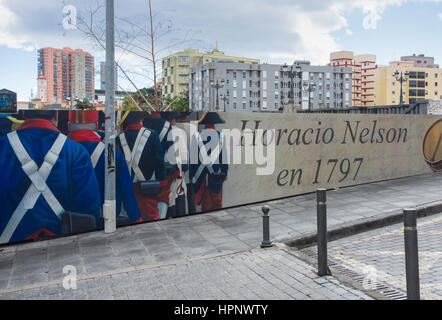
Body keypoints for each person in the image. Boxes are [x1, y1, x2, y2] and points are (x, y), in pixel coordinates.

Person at [0, 110, 101, 244]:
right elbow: (88, 205)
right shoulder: (76, 150)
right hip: (62, 242)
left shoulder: (2, 146)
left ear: (23, 113)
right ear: (57, 116)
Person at [67, 110, 142, 225]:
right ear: (97, 126)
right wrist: (136, 217)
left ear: (68, 125)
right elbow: (126, 188)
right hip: (105, 217)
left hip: (67, 219)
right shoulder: (111, 151)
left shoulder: (61, 150)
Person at [116, 110, 170, 221]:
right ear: (141, 120)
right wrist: (162, 183)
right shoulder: (152, 135)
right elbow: (159, 162)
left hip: (127, 188)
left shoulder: (119, 138)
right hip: (148, 186)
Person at [190, 112, 229, 212]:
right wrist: (224, 173)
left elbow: (193, 160)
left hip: (200, 176)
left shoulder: (196, 136)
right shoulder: (221, 136)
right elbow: (224, 159)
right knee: (217, 203)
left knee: (205, 204)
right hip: (216, 174)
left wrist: (191, 176)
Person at [144, 113, 180, 218]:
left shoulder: (144, 123)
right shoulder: (166, 125)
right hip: (162, 168)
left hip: (144, 167)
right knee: (162, 197)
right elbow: (171, 149)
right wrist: (176, 169)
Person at [163, 112, 188, 217]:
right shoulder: (179, 132)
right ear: (174, 120)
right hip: (177, 167)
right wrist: (184, 166)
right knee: (179, 192)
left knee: (169, 195)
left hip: (165, 166)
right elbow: (183, 151)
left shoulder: (161, 130)